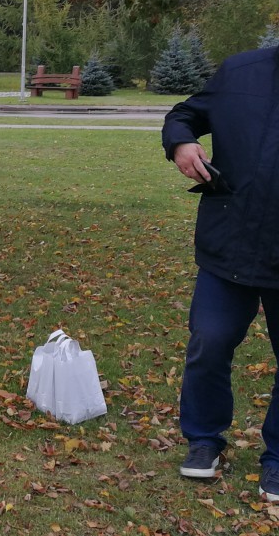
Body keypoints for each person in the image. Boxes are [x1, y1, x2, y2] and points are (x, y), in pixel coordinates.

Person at [162, 43, 279, 500]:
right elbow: (184, 114)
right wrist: (181, 143)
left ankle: (277, 459)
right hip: (230, 242)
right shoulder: (241, 71)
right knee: (208, 343)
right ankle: (204, 439)